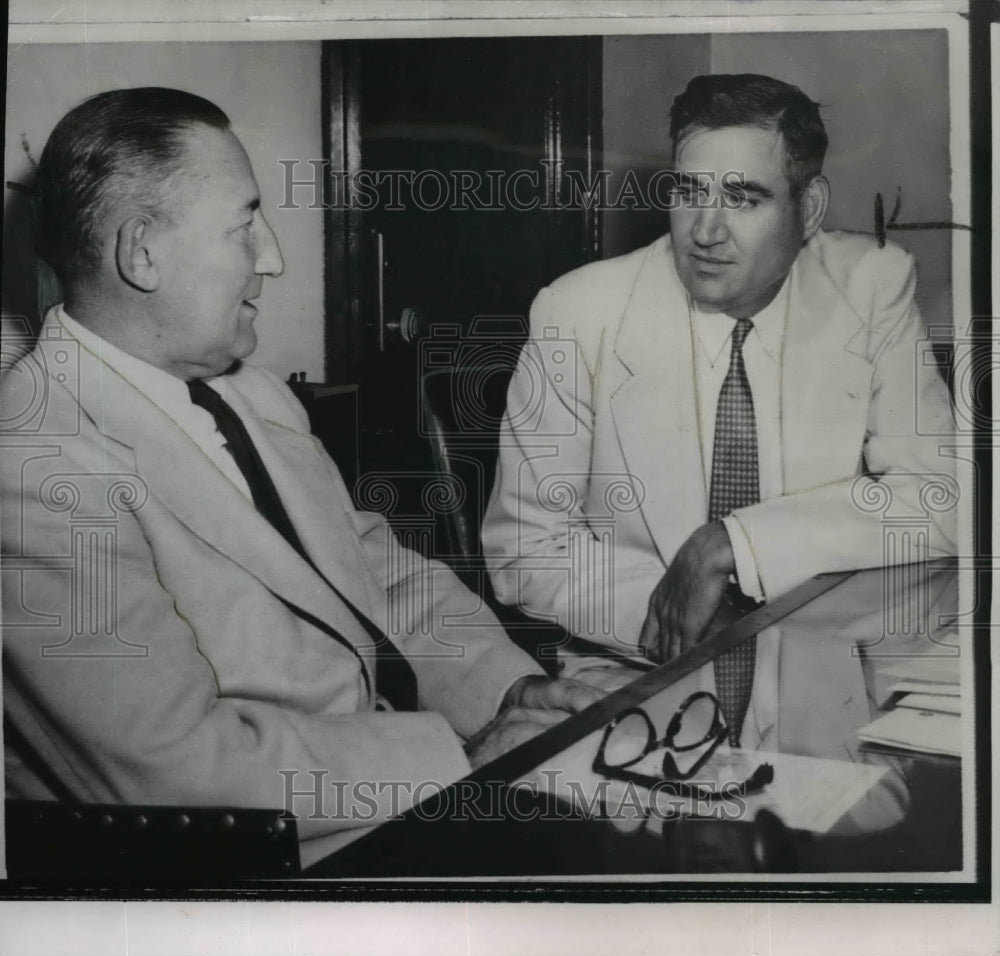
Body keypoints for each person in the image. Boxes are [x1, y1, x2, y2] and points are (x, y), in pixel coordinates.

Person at [0, 87, 601, 866]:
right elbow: (179, 771)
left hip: (405, 801)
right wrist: (460, 762)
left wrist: (507, 693)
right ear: (140, 252)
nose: (274, 258)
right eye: (245, 225)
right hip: (255, 874)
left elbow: (382, 582)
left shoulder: (250, 392)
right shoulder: (32, 469)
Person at [481, 74, 958, 749]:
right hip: (636, 684)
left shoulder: (871, 285)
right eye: (688, 191)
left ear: (810, 207)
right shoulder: (577, 313)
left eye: (743, 197)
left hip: (832, 686)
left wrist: (738, 544)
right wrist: (698, 603)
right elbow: (524, 550)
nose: (705, 230)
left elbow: (942, 498)